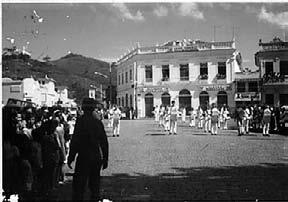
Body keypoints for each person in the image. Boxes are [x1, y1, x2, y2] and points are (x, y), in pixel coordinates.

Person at [67, 98, 109, 201]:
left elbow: (75, 141)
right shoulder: (97, 122)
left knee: (79, 187)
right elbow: (104, 142)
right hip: (96, 157)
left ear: (83, 108)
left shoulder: (80, 121)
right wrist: (105, 158)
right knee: (94, 185)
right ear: (94, 108)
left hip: (83, 157)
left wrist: (71, 157)